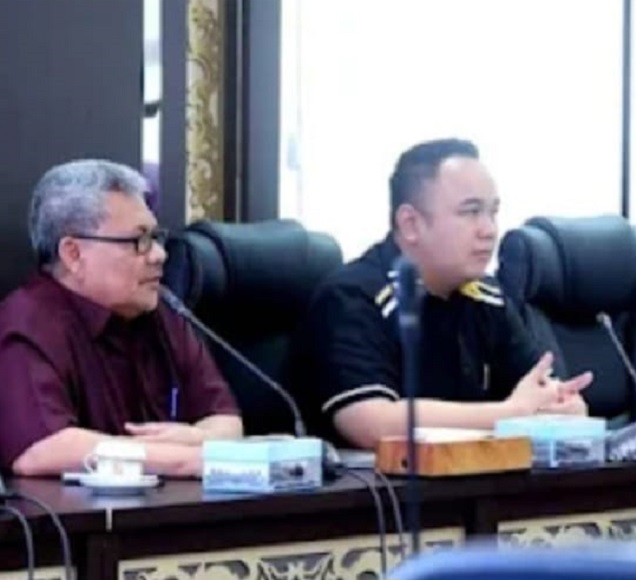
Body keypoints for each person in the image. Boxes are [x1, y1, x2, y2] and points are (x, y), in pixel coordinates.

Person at [292, 138, 592, 449]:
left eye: (492, 212)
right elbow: (371, 422)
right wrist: (511, 414)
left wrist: (563, 407)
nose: (489, 230)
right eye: (471, 212)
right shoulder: (353, 297)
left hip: (476, 474)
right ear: (411, 224)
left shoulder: (487, 296)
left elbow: (543, 393)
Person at [0, 160, 242, 477]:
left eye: (156, 237)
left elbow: (226, 421)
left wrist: (197, 438)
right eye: (139, 241)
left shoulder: (162, 311)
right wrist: (185, 459)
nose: (159, 255)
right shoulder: (28, 322)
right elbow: (41, 449)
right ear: (73, 254)